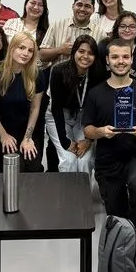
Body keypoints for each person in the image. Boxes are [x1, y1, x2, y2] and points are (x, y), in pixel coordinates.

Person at [83, 39, 136, 231]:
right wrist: (100, 132)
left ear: (132, 60)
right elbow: (87, 130)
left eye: (125, 56)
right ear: (107, 60)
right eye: (115, 57)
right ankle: (122, 233)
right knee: (116, 214)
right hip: (107, 158)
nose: (121, 61)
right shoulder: (95, 93)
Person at [46, 35, 107, 173]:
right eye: (81, 51)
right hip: (59, 115)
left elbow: (99, 109)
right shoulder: (58, 71)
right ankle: (68, 195)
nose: (85, 56)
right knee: (69, 160)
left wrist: (88, 140)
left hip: (86, 117)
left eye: (91, 53)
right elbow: (56, 108)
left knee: (85, 160)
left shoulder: (98, 73)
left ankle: (84, 195)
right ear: (74, 52)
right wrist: (64, 140)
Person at [0, 32, 46, 172]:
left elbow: (35, 108)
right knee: (13, 168)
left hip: (27, 130)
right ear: (12, 48)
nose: (26, 53)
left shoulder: (37, 74)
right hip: (0, 131)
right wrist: (3, 135)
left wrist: (28, 137)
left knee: (33, 167)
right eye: (21, 48)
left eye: (30, 50)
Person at [40, 0, 107, 66]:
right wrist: (60, 50)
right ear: (73, 6)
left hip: (89, 77)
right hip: (59, 76)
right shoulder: (56, 26)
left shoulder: (101, 34)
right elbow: (42, 56)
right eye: (79, 5)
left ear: (93, 10)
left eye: (87, 6)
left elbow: (104, 61)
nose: (82, 9)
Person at [98, 11, 136, 86]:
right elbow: (96, 76)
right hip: (106, 93)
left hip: (133, 95)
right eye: (122, 26)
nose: (127, 30)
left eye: (132, 26)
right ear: (117, 28)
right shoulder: (104, 46)